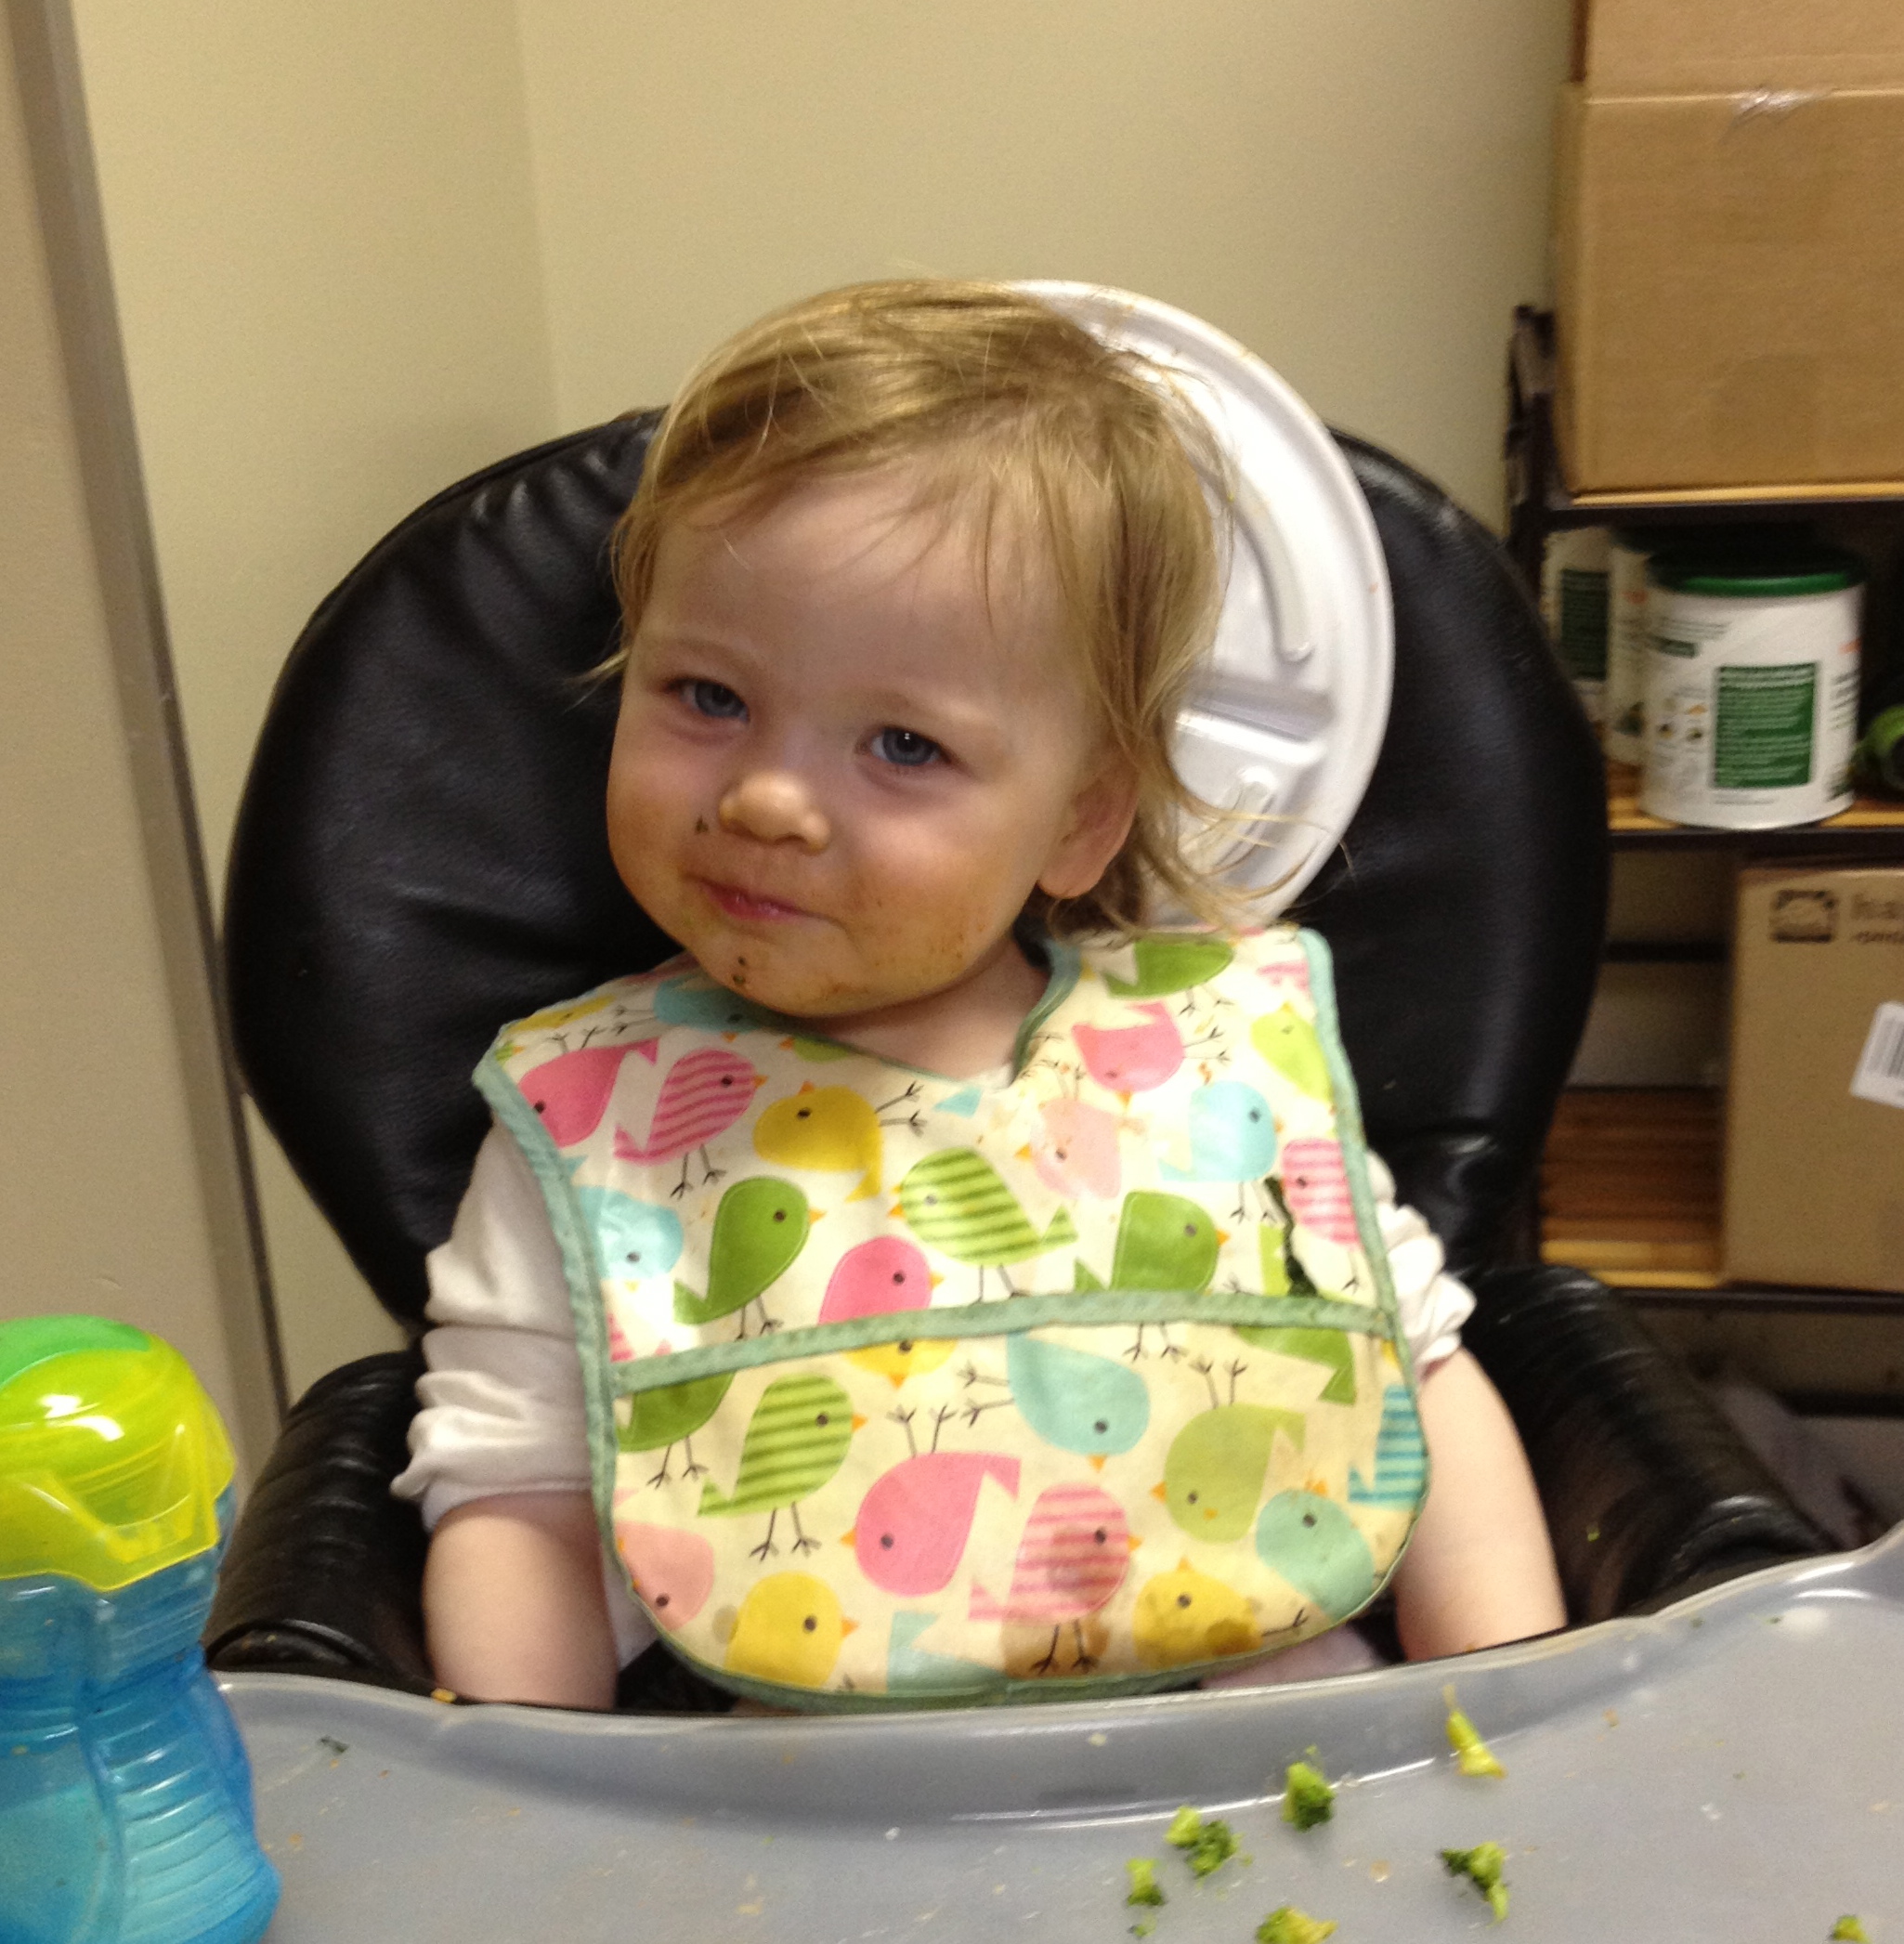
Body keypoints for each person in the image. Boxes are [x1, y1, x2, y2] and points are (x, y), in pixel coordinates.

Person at [393, 280, 1564, 1711]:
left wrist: (1511, 1700)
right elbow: (517, 1502)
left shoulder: (1224, 1060)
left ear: (1079, 820)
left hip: (1272, 1764)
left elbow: (1415, 1386)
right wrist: (542, 1788)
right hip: (807, 1825)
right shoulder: (586, 1131)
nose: (766, 797)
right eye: (705, 696)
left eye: (901, 742)